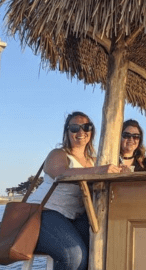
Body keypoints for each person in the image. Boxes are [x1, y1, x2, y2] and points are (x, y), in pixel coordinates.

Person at [28, 111, 122, 270]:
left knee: (103, 248)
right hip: (43, 214)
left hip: (74, 217)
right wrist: (99, 170)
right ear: (67, 132)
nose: (81, 132)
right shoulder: (58, 154)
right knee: (74, 257)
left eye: (86, 127)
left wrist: (120, 172)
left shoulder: (94, 161)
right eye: (74, 128)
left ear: (92, 131)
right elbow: (60, 173)